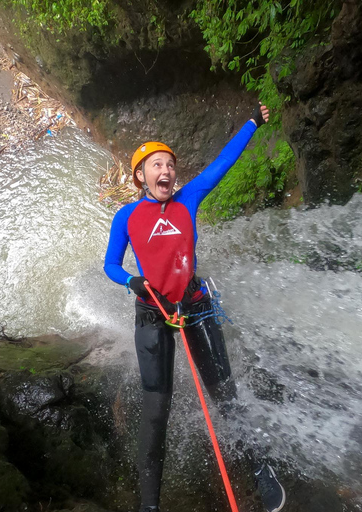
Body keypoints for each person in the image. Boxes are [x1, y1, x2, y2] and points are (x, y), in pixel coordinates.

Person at [103, 103, 285, 512]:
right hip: (153, 311)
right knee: (157, 409)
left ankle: (259, 469)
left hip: (195, 306)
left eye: (169, 164)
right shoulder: (127, 217)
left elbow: (224, 160)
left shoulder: (190, 197)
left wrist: (252, 123)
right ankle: (150, 503)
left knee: (225, 393)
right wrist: (131, 279)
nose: (165, 170)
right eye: (156, 165)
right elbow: (111, 265)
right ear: (141, 177)